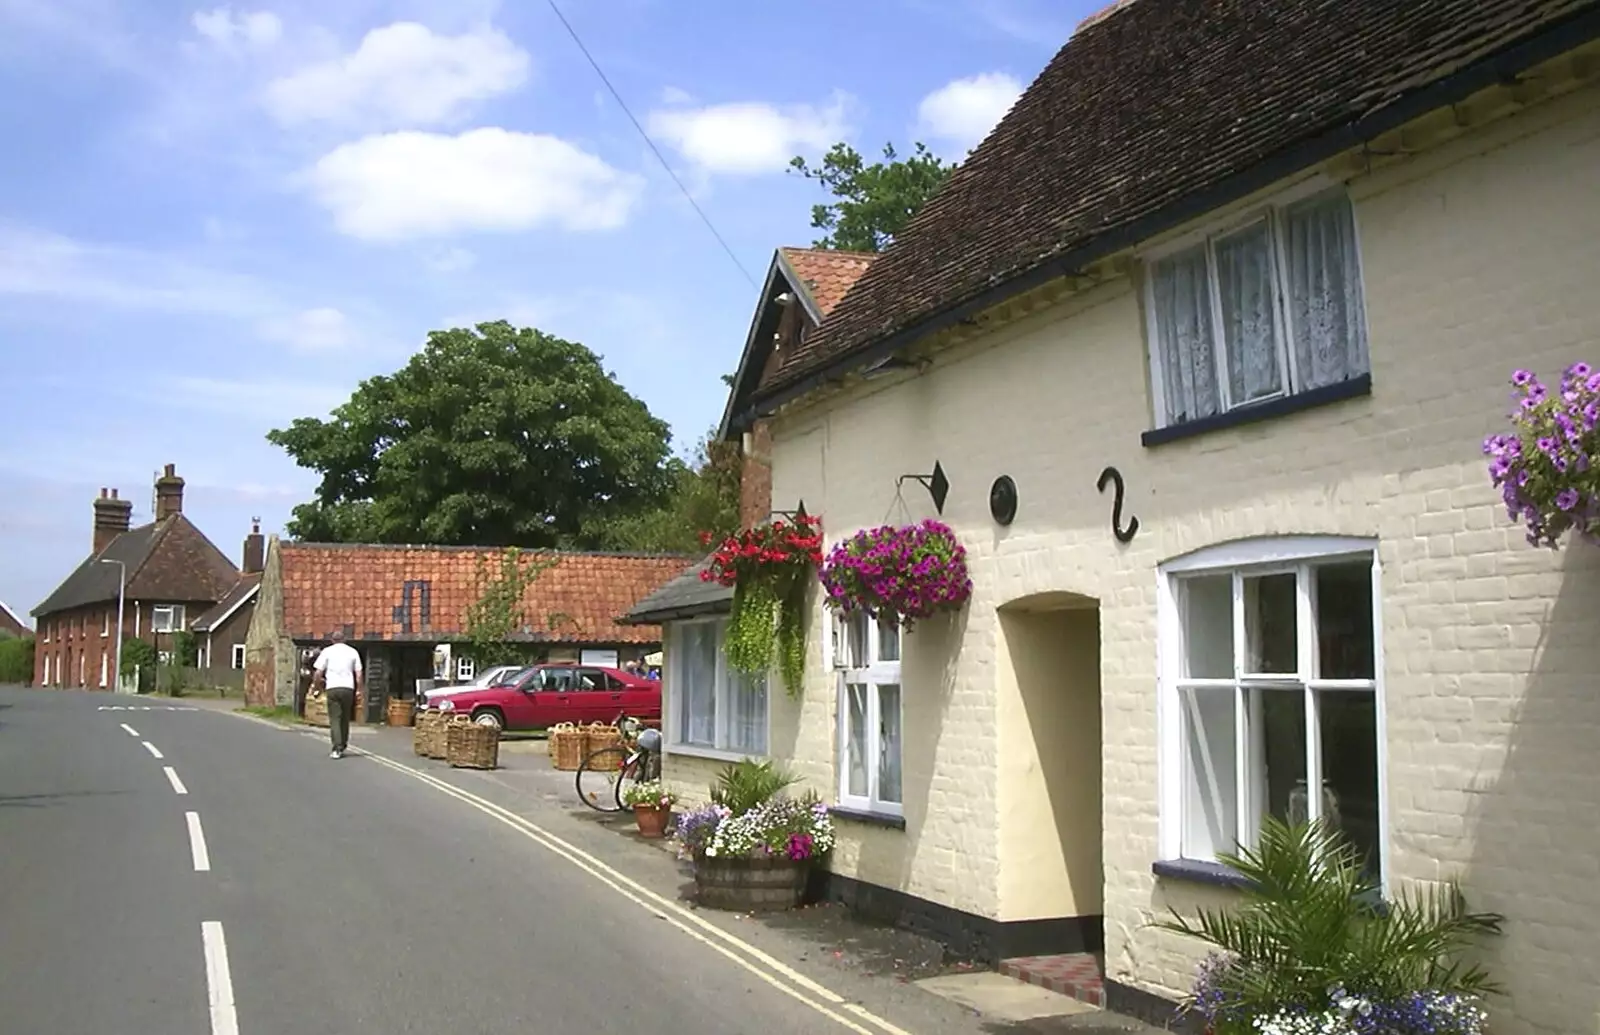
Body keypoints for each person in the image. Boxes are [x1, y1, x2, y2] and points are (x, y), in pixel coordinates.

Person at [310, 630, 363, 759]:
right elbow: (359, 673)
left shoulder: (327, 651)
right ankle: (343, 744)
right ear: (344, 639)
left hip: (333, 687)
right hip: (348, 688)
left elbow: (318, 673)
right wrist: (359, 690)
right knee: (345, 718)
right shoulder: (352, 651)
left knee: (335, 718)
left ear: (332, 640)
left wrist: (316, 687)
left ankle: (336, 748)